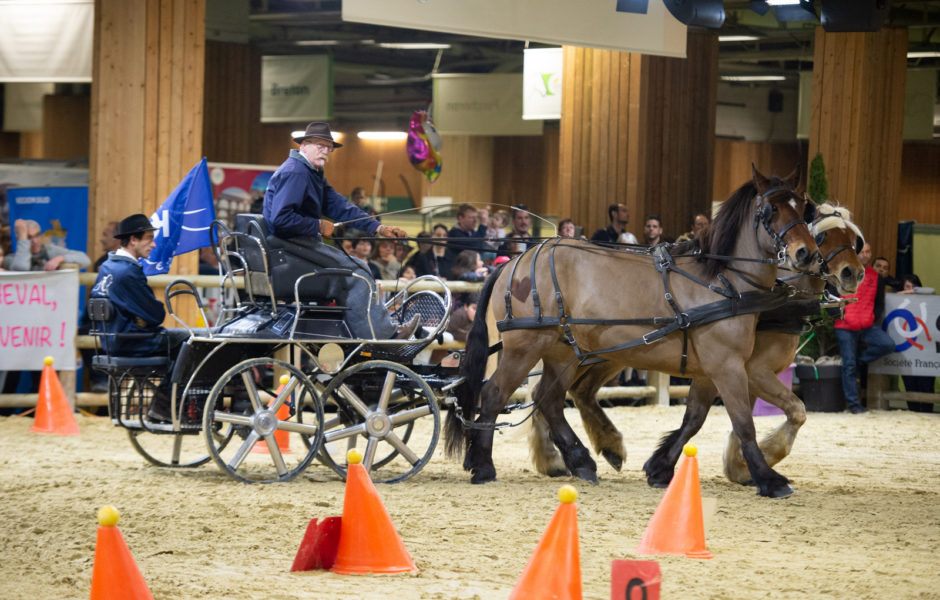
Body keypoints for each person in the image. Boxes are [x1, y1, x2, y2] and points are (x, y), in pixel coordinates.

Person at [263, 122, 418, 340]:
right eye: (320, 145)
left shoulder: (310, 171)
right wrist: (317, 225)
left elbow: (339, 206)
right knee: (360, 271)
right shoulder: (297, 172)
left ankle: (358, 332)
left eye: (329, 147)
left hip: (297, 243)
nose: (325, 151)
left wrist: (377, 227)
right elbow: (280, 219)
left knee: (356, 269)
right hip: (290, 244)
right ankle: (381, 337)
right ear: (304, 145)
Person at [90, 214, 192, 421]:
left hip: (113, 339)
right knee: (193, 341)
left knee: (183, 339)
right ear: (133, 240)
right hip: (132, 340)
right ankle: (165, 406)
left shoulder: (109, 267)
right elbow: (156, 314)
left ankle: (166, 403)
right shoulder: (127, 272)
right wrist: (146, 317)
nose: (153, 244)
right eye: (148, 238)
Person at [833, 242, 896, 414]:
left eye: (869, 252)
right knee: (849, 365)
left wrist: (871, 318)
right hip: (845, 325)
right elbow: (831, 297)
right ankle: (854, 404)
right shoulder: (841, 271)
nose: (867, 255)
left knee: (887, 345)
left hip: (867, 325)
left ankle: (860, 360)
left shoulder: (876, 276)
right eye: (863, 252)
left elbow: (879, 304)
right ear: (854, 253)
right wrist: (838, 314)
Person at [895, 274, 936, 413]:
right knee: (910, 386)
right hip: (906, 353)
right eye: (907, 286)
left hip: (926, 353)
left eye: (914, 287)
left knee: (926, 387)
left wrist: (909, 292)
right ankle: (913, 415)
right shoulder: (896, 304)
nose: (911, 290)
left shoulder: (928, 302)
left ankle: (927, 414)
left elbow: (931, 291)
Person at [4, 219, 91, 271]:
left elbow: (85, 259)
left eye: (37, 235)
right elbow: (21, 267)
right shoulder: (11, 259)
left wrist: (60, 258)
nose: (35, 241)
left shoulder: (49, 250)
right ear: (21, 240)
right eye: (29, 237)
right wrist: (22, 237)